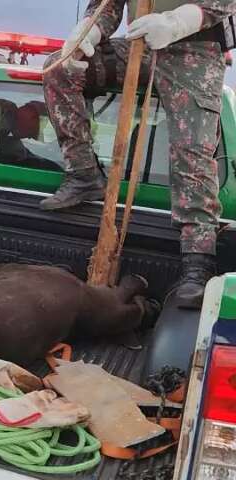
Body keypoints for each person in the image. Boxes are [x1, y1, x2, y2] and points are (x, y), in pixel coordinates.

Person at [42, 1, 236, 308]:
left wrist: (176, 22)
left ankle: (197, 264)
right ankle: (83, 174)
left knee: (192, 150)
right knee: (61, 67)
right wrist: (90, 29)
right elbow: (107, 4)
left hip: (195, 49)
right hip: (140, 45)